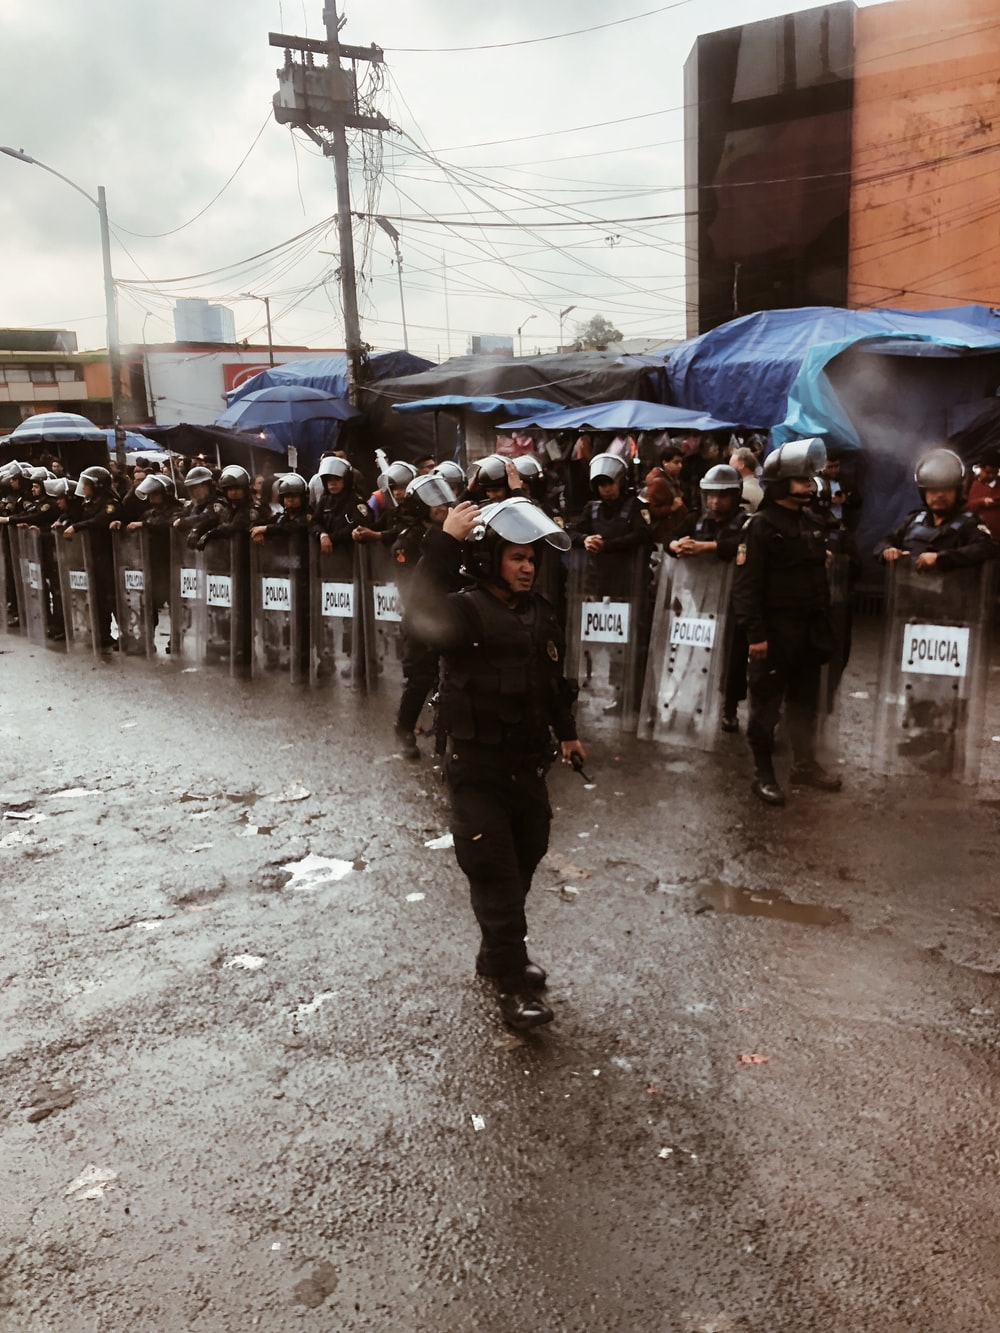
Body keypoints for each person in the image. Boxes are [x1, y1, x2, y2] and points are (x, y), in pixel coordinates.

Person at [407, 496, 586, 1031]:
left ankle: (495, 952)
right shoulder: (463, 611)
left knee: (527, 855)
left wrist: (569, 735)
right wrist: (445, 541)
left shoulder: (539, 612)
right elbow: (417, 613)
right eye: (516, 557)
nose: (528, 567)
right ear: (489, 560)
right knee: (495, 873)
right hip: (477, 768)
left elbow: (552, 683)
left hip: (527, 767)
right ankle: (512, 985)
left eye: (532, 558)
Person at [732, 439, 841, 807]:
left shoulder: (809, 521)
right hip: (775, 633)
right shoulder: (759, 527)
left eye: (809, 479)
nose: (809, 484)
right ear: (780, 484)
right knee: (766, 707)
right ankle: (763, 773)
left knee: (804, 703)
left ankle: (804, 765)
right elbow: (746, 587)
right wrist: (755, 635)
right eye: (801, 479)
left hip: (808, 632)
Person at [668, 463, 752, 731]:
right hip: (699, 597)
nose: (715, 502)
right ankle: (689, 702)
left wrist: (707, 547)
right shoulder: (696, 519)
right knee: (694, 649)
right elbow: (670, 537)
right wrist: (676, 545)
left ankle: (729, 707)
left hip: (733, 601)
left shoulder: (746, 522)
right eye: (712, 495)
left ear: (735, 496)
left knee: (733, 657)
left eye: (722, 496)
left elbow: (742, 546)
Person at [391, 472, 458, 760]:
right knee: (420, 677)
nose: (441, 505)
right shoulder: (408, 542)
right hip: (422, 617)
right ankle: (405, 729)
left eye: (443, 498)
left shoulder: (453, 535)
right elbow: (411, 587)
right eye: (433, 501)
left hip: (453, 613)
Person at [877, 448, 996, 572]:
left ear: (957, 491)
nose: (940, 495)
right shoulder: (913, 520)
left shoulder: (969, 523)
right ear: (923, 493)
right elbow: (886, 542)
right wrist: (887, 551)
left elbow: (987, 548)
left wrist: (942, 558)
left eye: (947, 489)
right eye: (933, 490)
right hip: (907, 584)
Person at [55, 465, 122, 650]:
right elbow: (76, 516)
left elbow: (100, 520)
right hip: (91, 554)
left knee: (112, 597)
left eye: (86, 484)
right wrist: (65, 521)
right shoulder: (88, 503)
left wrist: (77, 527)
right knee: (97, 597)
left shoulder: (110, 503)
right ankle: (103, 634)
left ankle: (126, 634)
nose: (83, 488)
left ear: (97, 485)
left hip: (107, 555)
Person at [963, 450, 1000, 542]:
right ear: (980, 468)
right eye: (988, 472)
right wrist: (982, 502)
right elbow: (963, 507)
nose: (991, 476)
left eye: (995, 473)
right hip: (975, 539)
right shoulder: (969, 483)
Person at [729, 446, 763, 513]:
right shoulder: (755, 485)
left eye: (731, 465)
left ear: (741, 465)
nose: (729, 469)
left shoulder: (743, 490)